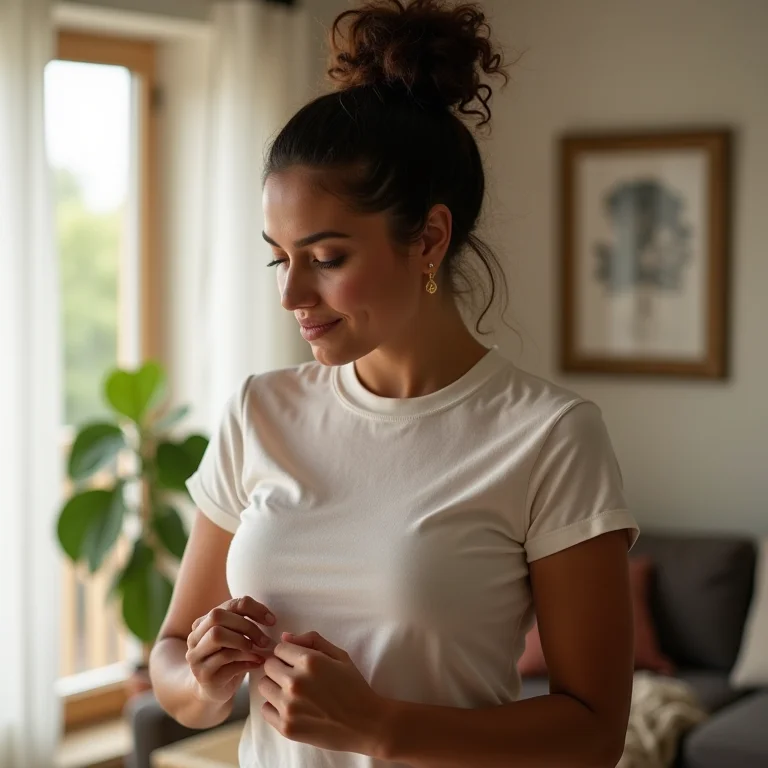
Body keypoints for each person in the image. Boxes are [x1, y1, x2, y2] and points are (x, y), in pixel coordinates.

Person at [149, 1, 640, 766]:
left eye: (327, 258)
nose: (291, 293)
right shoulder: (259, 411)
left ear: (430, 239)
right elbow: (171, 655)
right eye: (280, 256)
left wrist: (378, 727)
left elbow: (595, 733)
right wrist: (203, 678)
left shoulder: (549, 435)